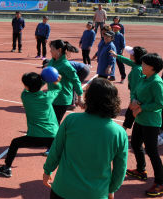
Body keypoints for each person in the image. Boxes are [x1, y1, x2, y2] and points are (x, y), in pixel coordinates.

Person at [43, 78, 128, 199]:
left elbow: (56, 150)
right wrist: (112, 189)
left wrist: (47, 171)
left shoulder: (71, 120)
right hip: (96, 193)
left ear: (89, 98)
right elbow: (120, 169)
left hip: (63, 189)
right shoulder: (119, 133)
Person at [0, 72, 61, 177]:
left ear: (26, 86)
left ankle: (7, 168)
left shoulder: (25, 96)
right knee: (61, 157)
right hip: (53, 136)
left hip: (35, 137)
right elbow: (57, 89)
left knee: (15, 143)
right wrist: (54, 80)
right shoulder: (47, 97)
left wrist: (41, 79)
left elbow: (31, 87)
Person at [126, 53, 163, 197]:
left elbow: (160, 103)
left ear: (153, 68)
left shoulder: (156, 82)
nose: (141, 66)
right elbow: (134, 92)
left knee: (152, 151)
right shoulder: (143, 78)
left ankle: (160, 182)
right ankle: (141, 170)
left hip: (151, 122)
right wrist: (135, 101)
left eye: (144, 64)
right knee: (135, 144)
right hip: (140, 119)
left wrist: (140, 107)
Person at [110, 46, 147, 130]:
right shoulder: (139, 65)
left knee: (130, 117)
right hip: (140, 98)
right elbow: (128, 61)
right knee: (133, 118)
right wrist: (117, 56)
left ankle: (122, 133)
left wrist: (132, 101)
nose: (129, 54)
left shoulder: (136, 71)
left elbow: (135, 88)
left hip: (137, 100)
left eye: (131, 54)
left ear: (135, 56)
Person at [47, 40, 83, 125]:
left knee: (54, 123)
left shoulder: (65, 65)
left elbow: (76, 81)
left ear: (59, 50)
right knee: (50, 121)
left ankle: (56, 137)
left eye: (52, 49)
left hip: (61, 99)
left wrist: (80, 98)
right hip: (52, 97)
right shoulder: (52, 61)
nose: (50, 51)